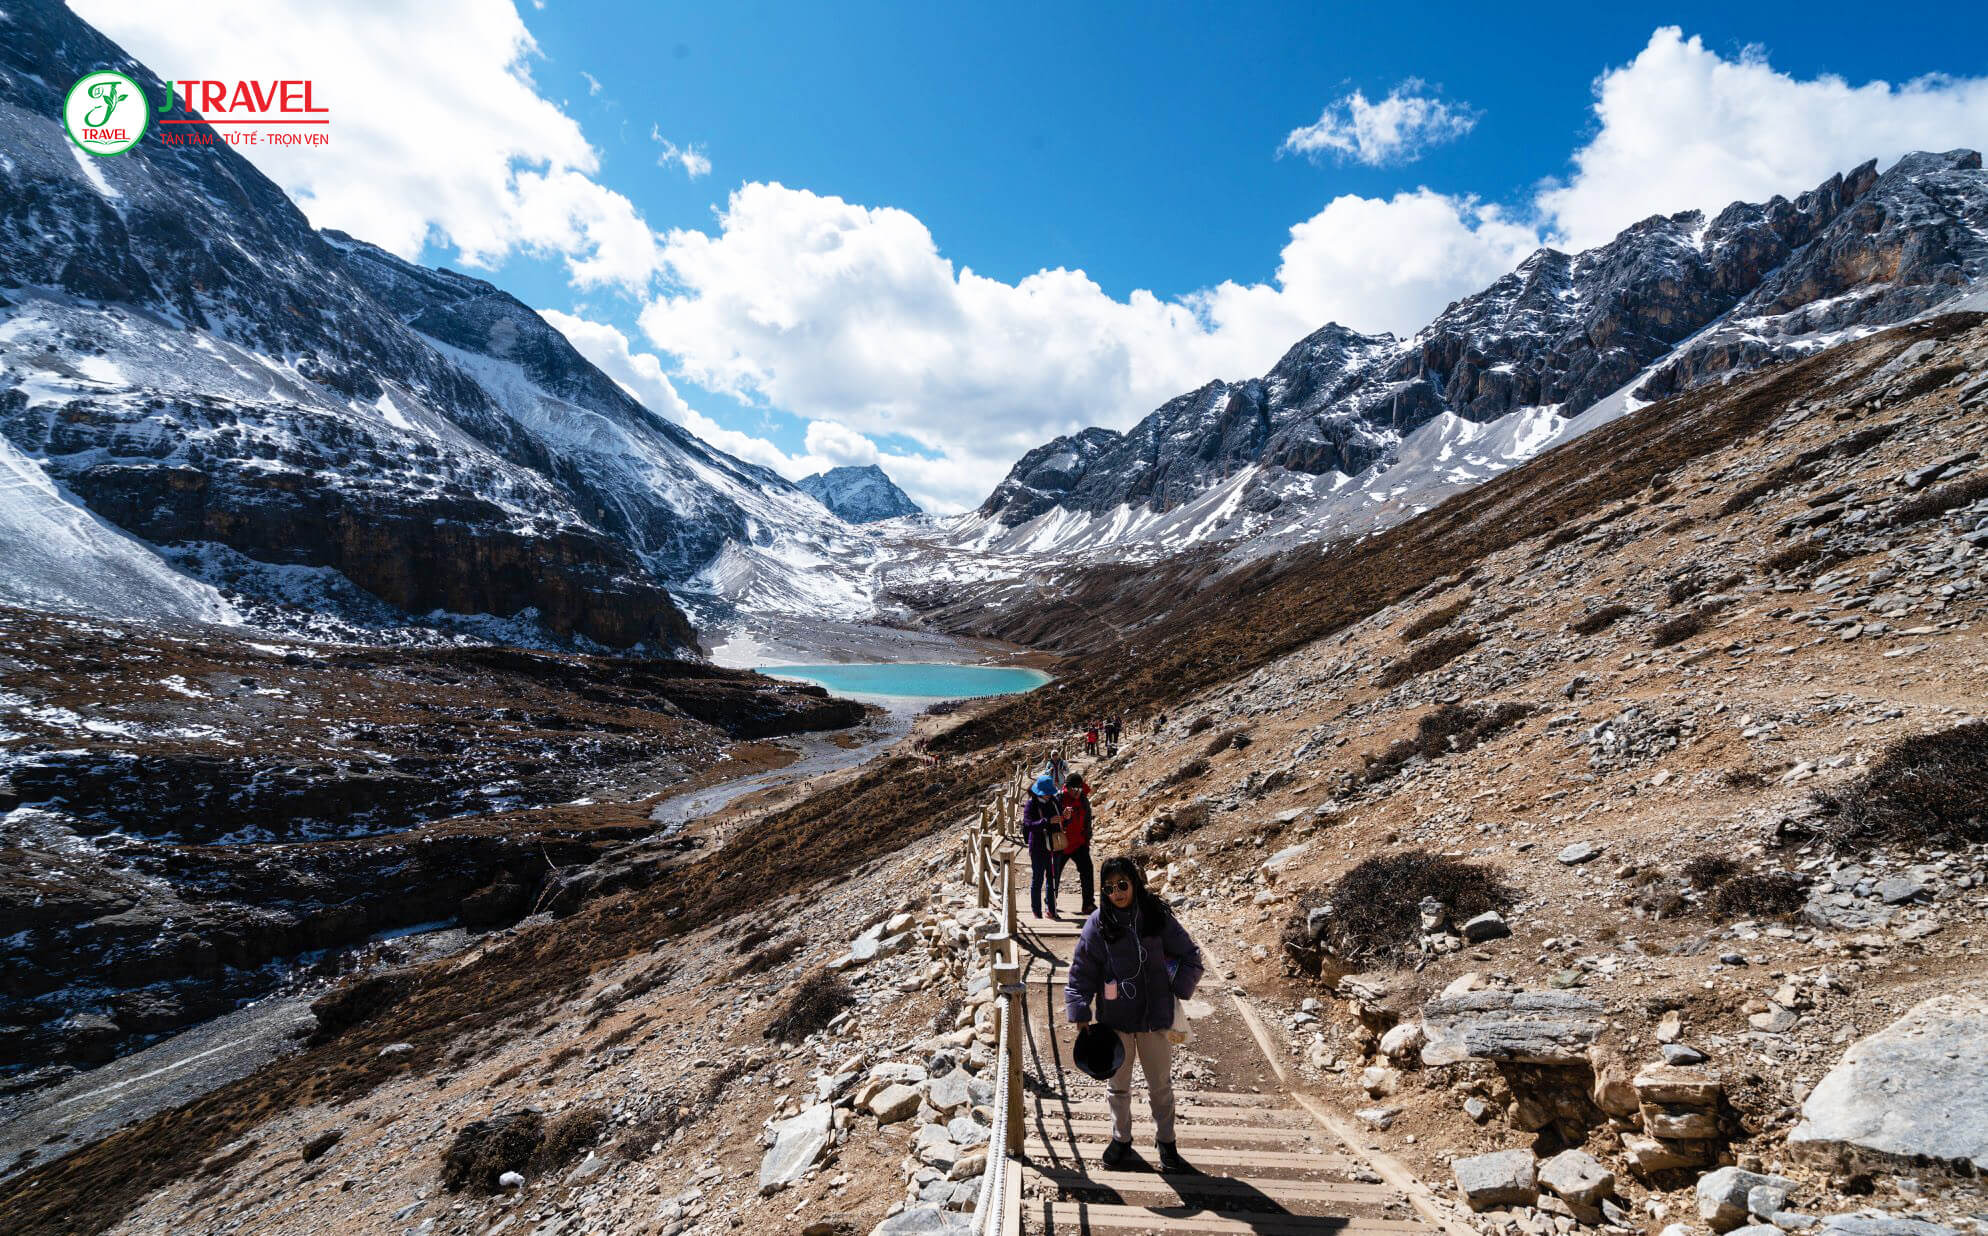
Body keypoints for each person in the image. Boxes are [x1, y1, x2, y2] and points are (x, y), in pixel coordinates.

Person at [1064, 856, 1204, 1173]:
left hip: (1156, 1019)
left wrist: (1177, 987)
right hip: (1116, 1021)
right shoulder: (1097, 924)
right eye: (1109, 888)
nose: (1117, 893)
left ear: (1134, 883)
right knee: (1118, 1085)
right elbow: (1082, 972)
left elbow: (1190, 955)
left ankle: (1166, 1142)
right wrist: (1080, 1010)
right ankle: (1121, 1138)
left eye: (1122, 885)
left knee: (1160, 1086)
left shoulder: (1156, 916)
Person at [1019, 774, 1064, 919]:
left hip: (1054, 845)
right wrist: (1047, 821)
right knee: (1037, 880)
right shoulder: (1031, 804)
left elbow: (1060, 821)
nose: (1049, 795)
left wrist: (1066, 817)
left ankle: (1051, 910)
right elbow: (1028, 825)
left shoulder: (1054, 801)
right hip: (1038, 847)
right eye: (1047, 793)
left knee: (1052, 879)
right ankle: (1036, 911)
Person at [1052, 772, 1096, 917]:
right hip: (1061, 844)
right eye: (1074, 789)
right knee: (1054, 874)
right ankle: (1051, 903)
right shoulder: (1059, 799)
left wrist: (1087, 840)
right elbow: (1053, 821)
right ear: (1068, 788)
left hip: (1079, 842)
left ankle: (1088, 904)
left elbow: (1087, 821)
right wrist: (1064, 818)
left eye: (1079, 789)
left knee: (1087, 871)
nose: (1077, 792)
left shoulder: (1083, 800)